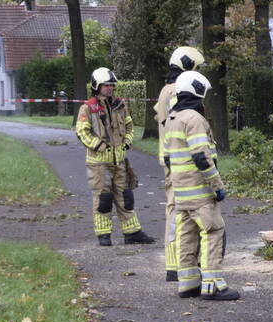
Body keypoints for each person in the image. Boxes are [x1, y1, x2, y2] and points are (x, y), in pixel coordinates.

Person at [163, 70, 239, 300]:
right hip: (200, 191)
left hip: (181, 193)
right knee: (213, 231)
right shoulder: (195, 119)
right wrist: (216, 185)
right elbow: (201, 157)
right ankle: (213, 285)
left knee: (187, 236)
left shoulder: (172, 119)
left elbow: (167, 158)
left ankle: (187, 283)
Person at [75, 67, 156, 247]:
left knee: (125, 197)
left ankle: (132, 233)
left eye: (111, 85)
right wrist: (99, 145)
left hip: (119, 161)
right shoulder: (87, 108)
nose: (110, 88)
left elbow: (129, 125)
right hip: (99, 163)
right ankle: (104, 235)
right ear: (97, 86)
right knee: (104, 199)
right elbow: (82, 132)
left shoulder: (120, 105)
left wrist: (127, 140)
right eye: (106, 85)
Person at [156, 46, 206, 282]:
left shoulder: (165, 90)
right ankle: (178, 264)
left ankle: (179, 262)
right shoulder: (178, 91)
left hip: (172, 159)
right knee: (180, 211)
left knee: (177, 209)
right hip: (183, 161)